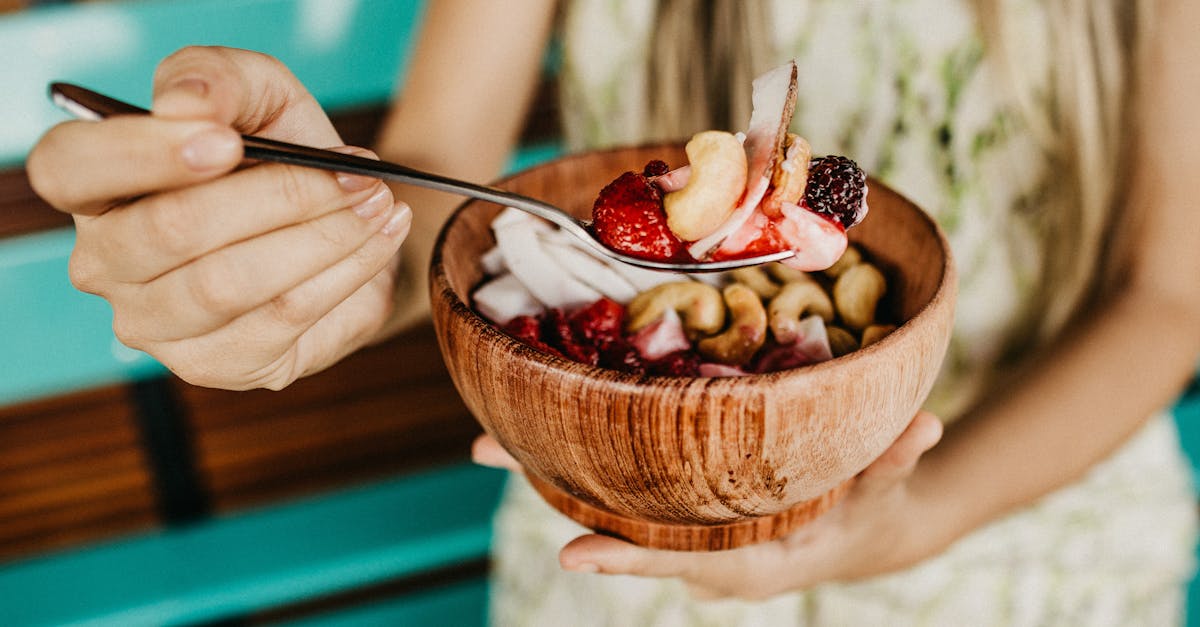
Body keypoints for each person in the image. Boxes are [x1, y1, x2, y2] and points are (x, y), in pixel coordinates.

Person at [26, 0, 1200, 624]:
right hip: (625, 513)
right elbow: (437, 189)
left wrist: (906, 522)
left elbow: (1171, 297)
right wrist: (315, 251)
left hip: (1018, 524)